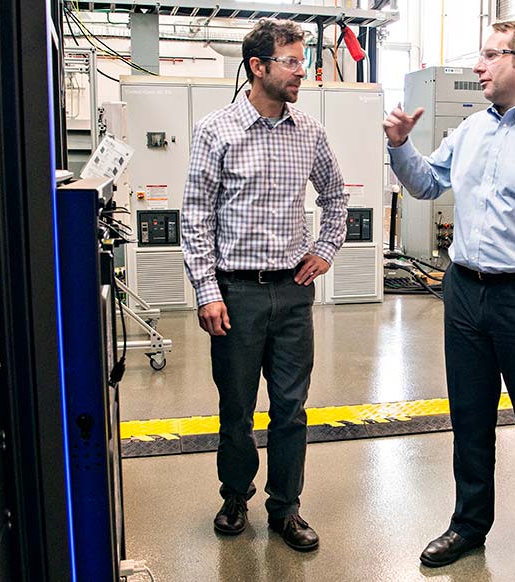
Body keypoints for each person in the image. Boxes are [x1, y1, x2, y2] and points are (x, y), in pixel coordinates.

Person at [383, 20, 515, 567]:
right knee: (470, 415)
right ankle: (468, 525)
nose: (478, 66)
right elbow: (428, 183)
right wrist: (399, 146)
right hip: (465, 293)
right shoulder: (472, 130)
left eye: (489, 55)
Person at [181, 18, 348, 552]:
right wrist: (206, 290)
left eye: (303, 61)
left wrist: (323, 250)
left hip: (293, 295)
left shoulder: (311, 133)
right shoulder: (217, 130)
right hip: (237, 295)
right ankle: (235, 496)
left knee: (291, 409)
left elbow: (337, 199)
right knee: (236, 408)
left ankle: (286, 508)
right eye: (292, 61)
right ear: (258, 67)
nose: (303, 71)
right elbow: (195, 216)